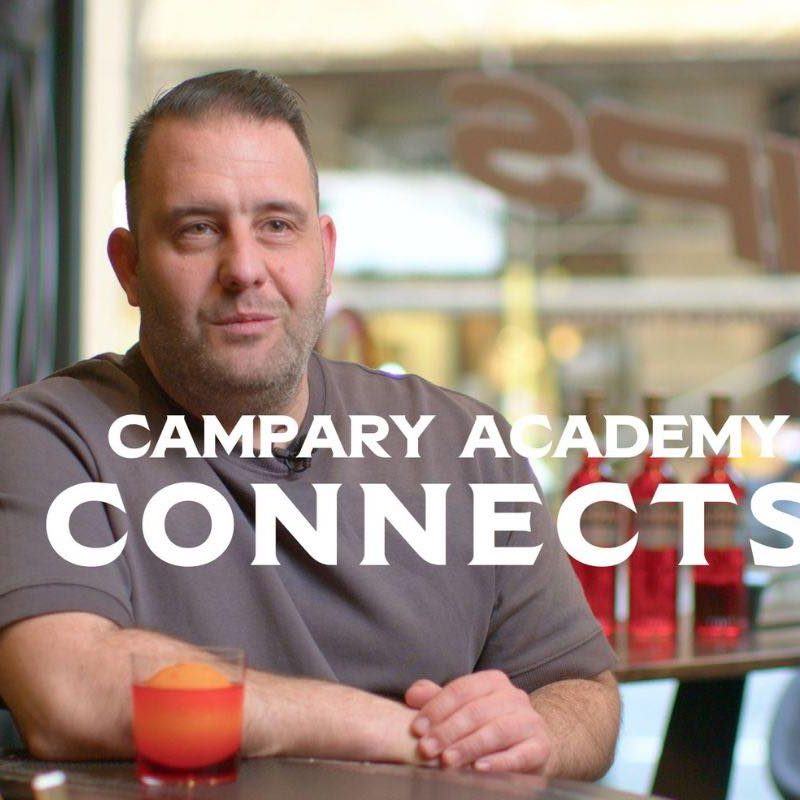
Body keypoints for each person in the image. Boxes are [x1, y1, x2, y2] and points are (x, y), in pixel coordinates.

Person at [0, 70, 619, 777]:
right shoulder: (49, 439)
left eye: (277, 225)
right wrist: (403, 734)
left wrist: (533, 733)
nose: (245, 269)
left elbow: (586, 696)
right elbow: (67, 691)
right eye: (197, 229)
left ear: (323, 252)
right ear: (130, 266)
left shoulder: (460, 443)